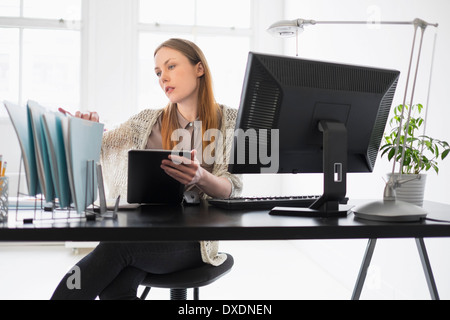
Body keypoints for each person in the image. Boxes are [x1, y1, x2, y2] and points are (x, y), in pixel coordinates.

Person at [51, 38, 242, 300]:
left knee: (115, 250)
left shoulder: (231, 121)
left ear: (199, 69)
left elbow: (232, 187)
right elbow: (102, 145)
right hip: (145, 231)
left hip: (194, 242)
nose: (163, 77)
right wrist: (86, 129)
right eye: (158, 72)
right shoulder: (145, 121)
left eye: (171, 66)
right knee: (116, 284)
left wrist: (201, 176)